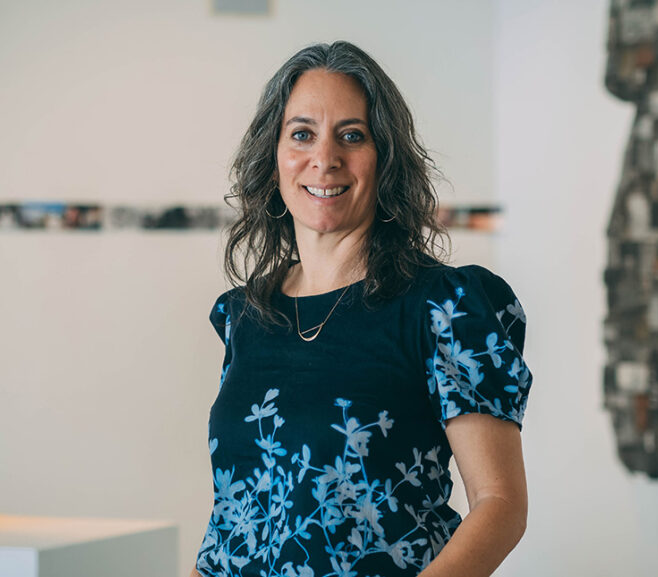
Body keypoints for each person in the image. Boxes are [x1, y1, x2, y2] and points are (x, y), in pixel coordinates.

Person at [193, 41, 532, 577]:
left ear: (385, 160)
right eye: (301, 134)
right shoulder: (244, 316)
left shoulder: (443, 306)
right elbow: (234, 520)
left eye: (352, 136)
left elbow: (500, 505)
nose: (324, 159)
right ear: (273, 157)